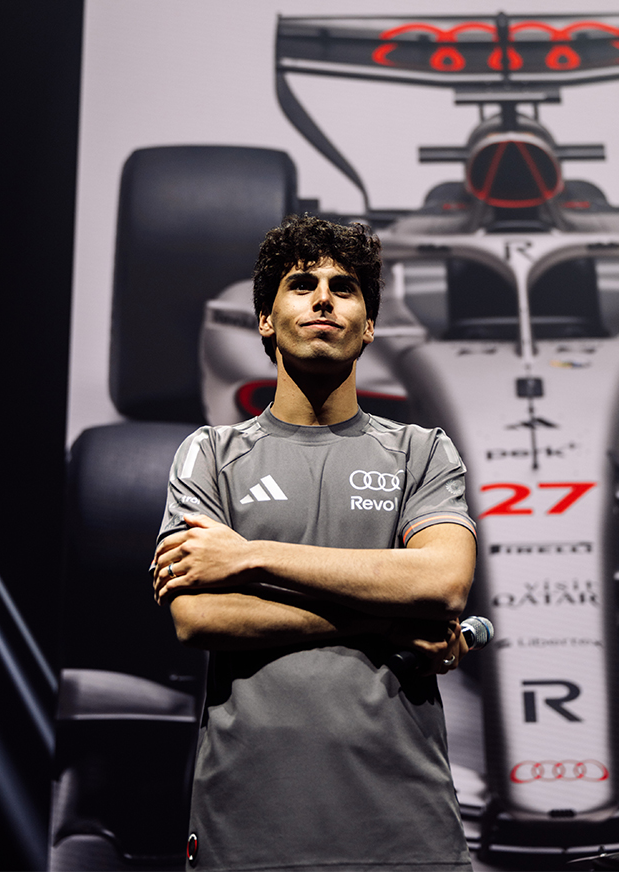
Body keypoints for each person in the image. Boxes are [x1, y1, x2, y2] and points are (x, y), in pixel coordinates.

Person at [149, 215, 478, 871]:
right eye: (302, 284)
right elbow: (199, 617)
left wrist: (253, 556)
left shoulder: (421, 451)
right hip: (245, 830)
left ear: (369, 323)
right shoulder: (210, 454)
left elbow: (443, 582)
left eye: (345, 287)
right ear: (266, 322)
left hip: (406, 833)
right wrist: (389, 617)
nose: (324, 298)